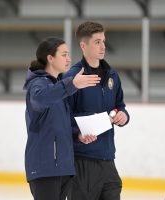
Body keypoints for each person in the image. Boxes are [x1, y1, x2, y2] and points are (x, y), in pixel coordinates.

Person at [23, 37, 101, 200]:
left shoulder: (57, 87)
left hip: (63, 168)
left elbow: (59, 126)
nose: (69, 59)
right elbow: (41, 99)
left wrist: (77, 135)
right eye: (64, 54)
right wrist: (72, 84)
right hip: (45, 168)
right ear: (50, 58)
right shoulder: (38, 84)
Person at [63, 21, 130, 200]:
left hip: (108, 160)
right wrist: (78, 132)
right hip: (82, 162)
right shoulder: (72, 78)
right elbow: (62, 117)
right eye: (97, 42)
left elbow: (119, 105)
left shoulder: (112, 76)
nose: (103, 46)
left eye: (103, 41)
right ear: (83, 45)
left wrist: (124, 115)